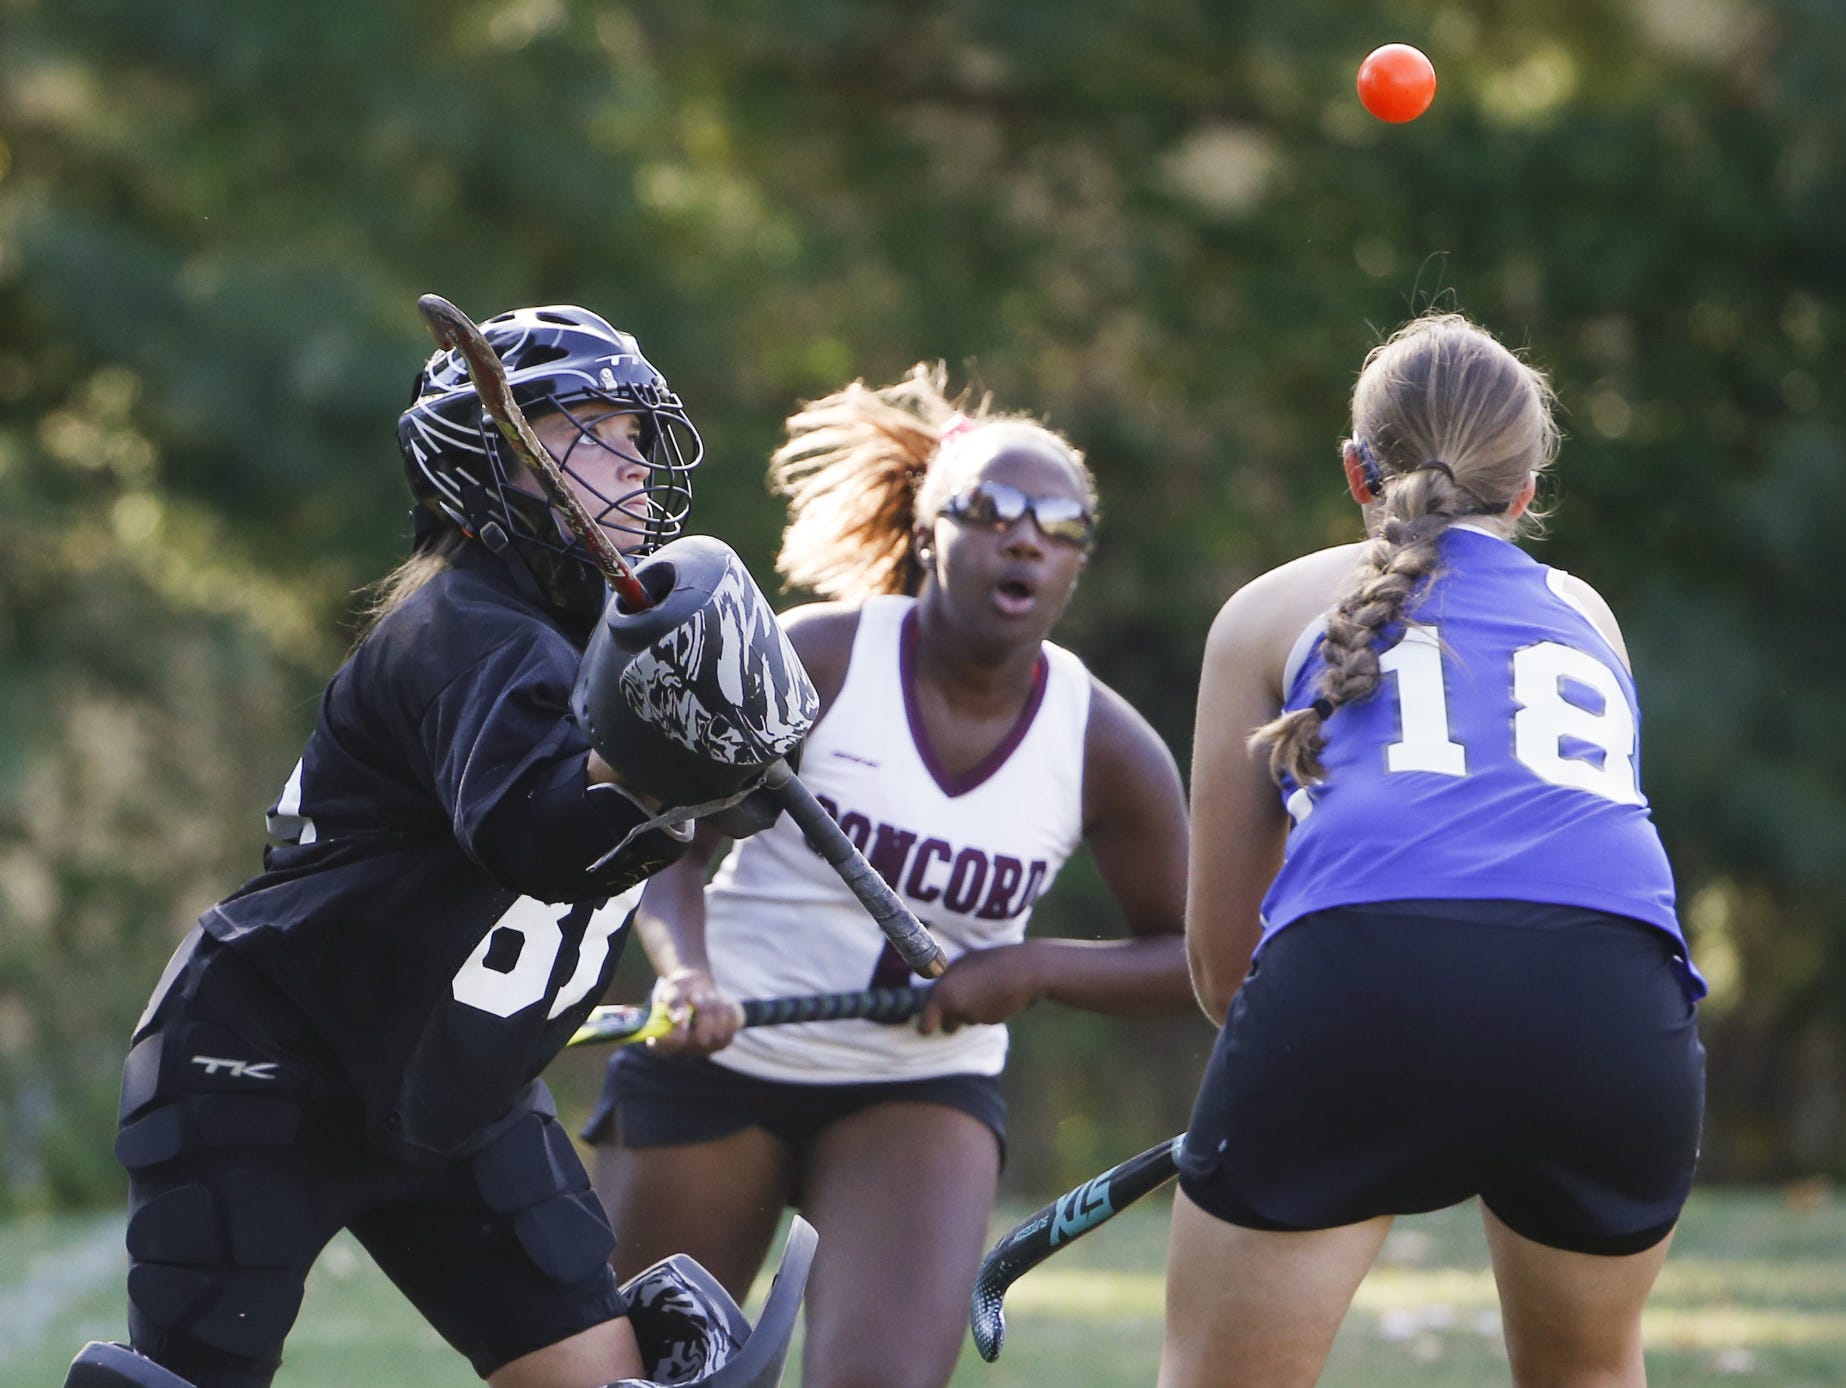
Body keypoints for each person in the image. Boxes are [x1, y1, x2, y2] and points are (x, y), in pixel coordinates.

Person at [96, 305, 783, 1388]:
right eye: (591, 431)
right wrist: (675, 771)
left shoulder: (582, 642)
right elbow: (537, 835)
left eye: (635, 434)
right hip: (271, 1065)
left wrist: (733, 764)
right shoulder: (466, 627)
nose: (633, 463)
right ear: (495, 456)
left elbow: (698, 815)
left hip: (452, 1092)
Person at [584, 364, 1194, 1388]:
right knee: (639, 1377)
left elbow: (1194, 959)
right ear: (926, 529)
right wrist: (683, 973)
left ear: (1077, 560)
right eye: (993, 508)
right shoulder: (815, 655)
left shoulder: (1104, 743)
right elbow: (668, 842)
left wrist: (1033, 967)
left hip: (918, 1086)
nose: (1027, 536)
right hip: (724, 1054)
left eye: (1060, 522)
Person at [1160, 312, 1706, 1388]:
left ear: (1354, 470)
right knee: (1588, 1371)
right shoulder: (1587, 613)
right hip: (1615, 1005)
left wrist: (1323, 1086)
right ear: (1526, 488)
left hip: (1361, 980)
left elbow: (1223, 967)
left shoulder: (1265, 609)